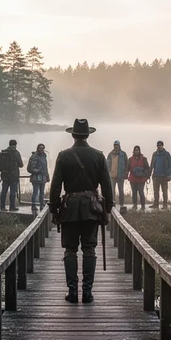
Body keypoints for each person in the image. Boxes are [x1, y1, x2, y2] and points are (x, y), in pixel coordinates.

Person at [49, 118, 114, 304]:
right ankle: (87, 293)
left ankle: (72, 292)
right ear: (87, 135)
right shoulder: (98, 156)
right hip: (92, 210)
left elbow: (55, 186)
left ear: (73, 135)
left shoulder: (63, 156)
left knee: (70, 250)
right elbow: (107, 186)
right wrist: (107, 209)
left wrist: (54, 209)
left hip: (69, 210)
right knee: (89, 249)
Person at [0, 139, 23, 211]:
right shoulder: (16, 153)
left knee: (4, 192)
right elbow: (21, 165)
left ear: (9, 144)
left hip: (5, 176)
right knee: (12, 193)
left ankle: (2, 207)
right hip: (14, 176)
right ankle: (12, 207)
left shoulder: (3, 153)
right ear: (15, 145)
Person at [149, 140, 171, 209]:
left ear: (163, 146)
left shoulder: (167, 154)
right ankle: (155, 204)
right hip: (156, 176)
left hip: (164, 177)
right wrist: (149, 173)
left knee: (164, 192)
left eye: (160, 145)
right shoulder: (154, 154)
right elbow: (151, 165)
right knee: (156, 192)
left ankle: (165, 205)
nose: (159, 147)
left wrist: (168, 174)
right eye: (158, 145)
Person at [27, 143, 50, 214]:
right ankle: (33, 205)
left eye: (43, 148)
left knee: (42, 193)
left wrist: (47, 176)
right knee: (35, 192)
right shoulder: (34, 157)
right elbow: (31, 168)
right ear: (37, 148)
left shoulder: (44, 156)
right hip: (36, 177)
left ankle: (42, 205)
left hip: (43, 177)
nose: (42, 149)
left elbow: (45, 167)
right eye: (40, 148)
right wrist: (37, 171)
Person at [126, 145, 150, 210]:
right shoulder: (130, 159)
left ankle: (143, 206)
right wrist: (126, 175)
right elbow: (127, 168)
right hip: (133, 179)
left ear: (139, 151)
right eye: (135, 150)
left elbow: (147, 168)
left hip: (141, 179)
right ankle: (135, 205)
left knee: (141, 192)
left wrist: (147, 176)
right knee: (134, 192)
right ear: (133, 151)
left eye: (138, 150)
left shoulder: (144, 159)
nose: (136, 151)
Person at [106, 140, 128, 209]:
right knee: (112, 190)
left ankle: (121, 203)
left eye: (117, 145)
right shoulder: (110, 154)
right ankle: (113, 203)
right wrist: (108, 172)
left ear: (119, 146)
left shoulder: (123, 154)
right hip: (112, 175)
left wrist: (126, 172)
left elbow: (127, 164)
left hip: (121, 175)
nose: (116, 146)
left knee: (121, 190)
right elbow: (107, 164)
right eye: (115, 145)